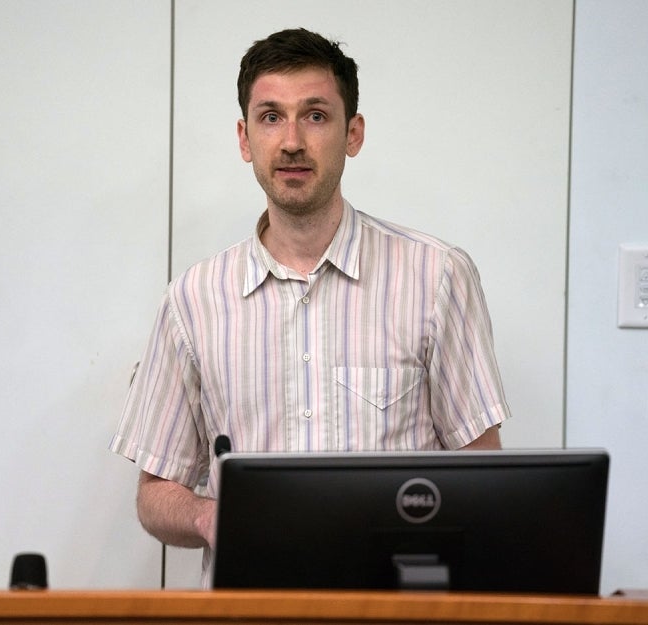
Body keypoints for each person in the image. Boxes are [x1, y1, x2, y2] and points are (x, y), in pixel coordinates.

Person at [109, 27, 511, 586]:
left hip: (395, 613)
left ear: (353, 133)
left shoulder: (437, 276)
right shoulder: (193, 300)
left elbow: (486, 475)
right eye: (271, 117)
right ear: (245, 138)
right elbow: (155, 495)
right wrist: (207, 514)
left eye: (315, 115)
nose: (292, 140)